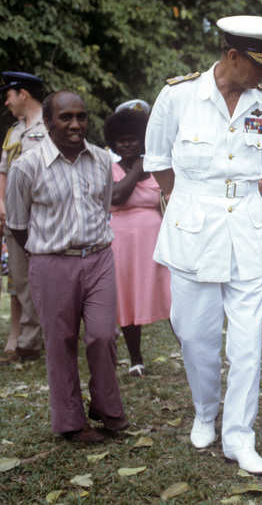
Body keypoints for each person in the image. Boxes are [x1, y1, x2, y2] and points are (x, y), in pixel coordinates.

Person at [143, 14, 262, 474]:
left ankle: (239, 436)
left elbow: (260, 167)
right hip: (193, 224)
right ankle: (205, 411)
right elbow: (159, 164)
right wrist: (187, 202)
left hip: (245, 226)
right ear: (231, 56)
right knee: (195, 336)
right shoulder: (178, 96)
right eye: (259, 65)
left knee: (247, 342)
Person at [6, 90, 127, 443]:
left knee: (103, 335)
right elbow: (17, 222)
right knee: (60, 342)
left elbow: (103, 206)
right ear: (47, 122)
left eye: (81, 116)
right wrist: (48, 252)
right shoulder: (26, 166)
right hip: (51, 262)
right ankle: (71, 422)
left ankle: (106, 408)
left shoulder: (103, 159)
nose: (76, 125)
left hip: (100, 257)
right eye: (66, 117)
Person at [105, 108, 171, 377]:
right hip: (122, 244)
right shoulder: (109, 168)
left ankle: (190, 351)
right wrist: (136, 169)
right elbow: (117, 196)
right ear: (113, 143)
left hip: (156, 242)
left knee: (172, 296)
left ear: (143, 139)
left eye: (133, 138)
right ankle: (136, 359)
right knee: (128, 297)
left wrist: (146, 166)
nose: (128, 144)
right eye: (121, 140)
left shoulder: (158, 167)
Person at [0, 71, 46, 365]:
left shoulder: (53, 124)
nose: (6, 102)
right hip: (15, 218)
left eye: (9, 95)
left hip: (44, 215)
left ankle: (45, 338)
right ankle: (28, 343)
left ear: (23, 94)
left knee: (48, 276)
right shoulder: (14, 132)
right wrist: (1, 204)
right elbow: (3, 172)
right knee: (20, 279)